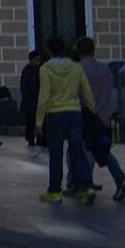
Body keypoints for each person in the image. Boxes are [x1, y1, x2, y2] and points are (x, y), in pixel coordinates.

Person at [36, 39, 96, 203]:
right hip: (74, 112)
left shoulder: (45, 69)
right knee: (78, 152)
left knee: (56, 154)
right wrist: (92, 110)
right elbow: (87, 91)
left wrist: (39, 121)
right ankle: (87, 187)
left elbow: (44, 96)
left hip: (55, 114)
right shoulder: (76, 67)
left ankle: (55, 191)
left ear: (48, 50)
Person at [77, 39, 125, 200]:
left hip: (85, 115)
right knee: (104, 151)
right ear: (93, 50)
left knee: (82, 151)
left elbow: (78, 94)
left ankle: (85, 186)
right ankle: (120, 178)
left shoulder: (77, 70)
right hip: (103, 116)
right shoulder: (104, 69)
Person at [19, 47, 46, 149]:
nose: (38, 61)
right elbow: (24, 86)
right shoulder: (27, 70)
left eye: (39, 59)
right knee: (30, 121)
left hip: (39, 99)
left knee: (40, 121)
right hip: (30, 101)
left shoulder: (41, 69)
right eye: (36, 59)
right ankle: (30, 139)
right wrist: (28, 99)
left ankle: (41, 138)